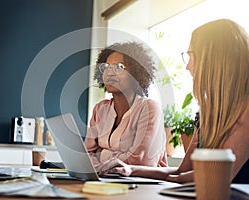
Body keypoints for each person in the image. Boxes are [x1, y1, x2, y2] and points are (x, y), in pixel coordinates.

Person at [106, 19, 249, 184]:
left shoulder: (245, 110)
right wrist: (130, 170)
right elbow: (183, 170)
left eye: (191, 56)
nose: (187, 66)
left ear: (213, 59)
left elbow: (215, 177)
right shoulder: (207, 115)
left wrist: (173, 180)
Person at [85, 41, 167, 171]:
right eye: (106, 67)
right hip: (107, 180)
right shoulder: (100, 109)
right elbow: (87, 155)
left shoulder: (149, 108)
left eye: (119, 67)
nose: (110, 73)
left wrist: (102, 154)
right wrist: (119, 158)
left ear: (136, 73)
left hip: (144, 185)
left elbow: (142, 162)